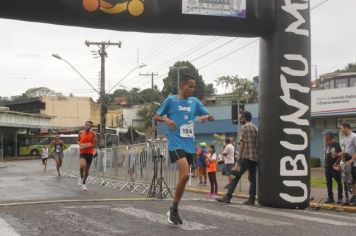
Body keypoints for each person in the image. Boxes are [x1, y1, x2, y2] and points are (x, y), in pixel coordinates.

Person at [154, 73, 214, 225]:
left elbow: (209, 115)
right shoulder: (171, 100)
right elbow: (156, 116)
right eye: (190, 86)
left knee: (185, 176)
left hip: (189, 145)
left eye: (194, 86)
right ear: (182, 86)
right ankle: (174, 208)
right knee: (186, 174)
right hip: (175, 143)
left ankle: (174, 208)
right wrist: (166, 119)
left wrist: (206, 117)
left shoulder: (194, 102)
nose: (193, 89)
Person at [217, 111, 258, 205]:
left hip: (246, 156)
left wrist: (239, 157)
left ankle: (228, 196)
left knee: (235, 175)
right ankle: (251, 199)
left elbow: (243, 143)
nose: (239, 120)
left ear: (244, 118)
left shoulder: (244, 127)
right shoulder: (255, 127)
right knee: (252, 178)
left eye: (240, 118)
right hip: (255, 157)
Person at [322, 131, 343, 204]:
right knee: (328, 183)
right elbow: (327, 155)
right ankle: (330, 198)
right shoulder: (327, 144)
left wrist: (337, 163)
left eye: (325, 135)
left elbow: (341, 155)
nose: (324, 136)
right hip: (327, 167)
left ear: (329, 136)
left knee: (339, 182)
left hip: (334, 167)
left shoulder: (336, 144)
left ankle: (340, 198)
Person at [339, 123, 356, 205]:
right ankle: (354, 197)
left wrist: (352, 159)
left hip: (354, 163)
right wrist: (340, 155)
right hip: (347, 163)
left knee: (354, 181)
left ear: (346, 128)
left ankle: (354, 198)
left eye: (342, 129)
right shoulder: (345, 138)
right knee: (352, 182)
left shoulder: (354, 136)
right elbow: (345, 149)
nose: (341, 130)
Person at [77, 120, 97, 191]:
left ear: (91, 127)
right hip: (82, 152)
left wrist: (88, 146)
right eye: (87, 125)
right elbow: (78, 140)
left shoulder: (93, 133)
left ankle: (84, 184)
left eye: (90, 126)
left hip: (89, 153)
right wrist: (80, 144)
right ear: (85, 125)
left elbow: (95, 144)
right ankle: (81, 177)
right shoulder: (80, 133)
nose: (88, 126)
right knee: (82, 165)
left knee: (87, 171)